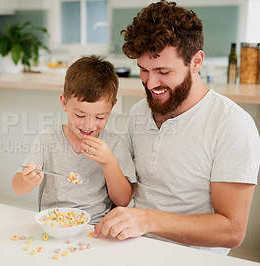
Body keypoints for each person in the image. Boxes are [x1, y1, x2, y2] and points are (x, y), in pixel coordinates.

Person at [94, 0, 260, 255]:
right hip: (134, 247)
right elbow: (126, 191)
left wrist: (148, 220)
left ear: (196, 61)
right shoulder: (140, 112)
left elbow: (232, 230)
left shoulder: (231, 125)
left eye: (162, 70)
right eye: (144, 70)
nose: (151, 84)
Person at [12, 55, 137, 224]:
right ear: (64, 103)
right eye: (80, 115)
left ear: (112, 106)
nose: (89, 125)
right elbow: (17, 188)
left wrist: (109, 163)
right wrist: (27, 180)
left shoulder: (114, 144)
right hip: (53, 223)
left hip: (95, 226)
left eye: (100, 117)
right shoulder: (47, 139)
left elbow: (123, 200)